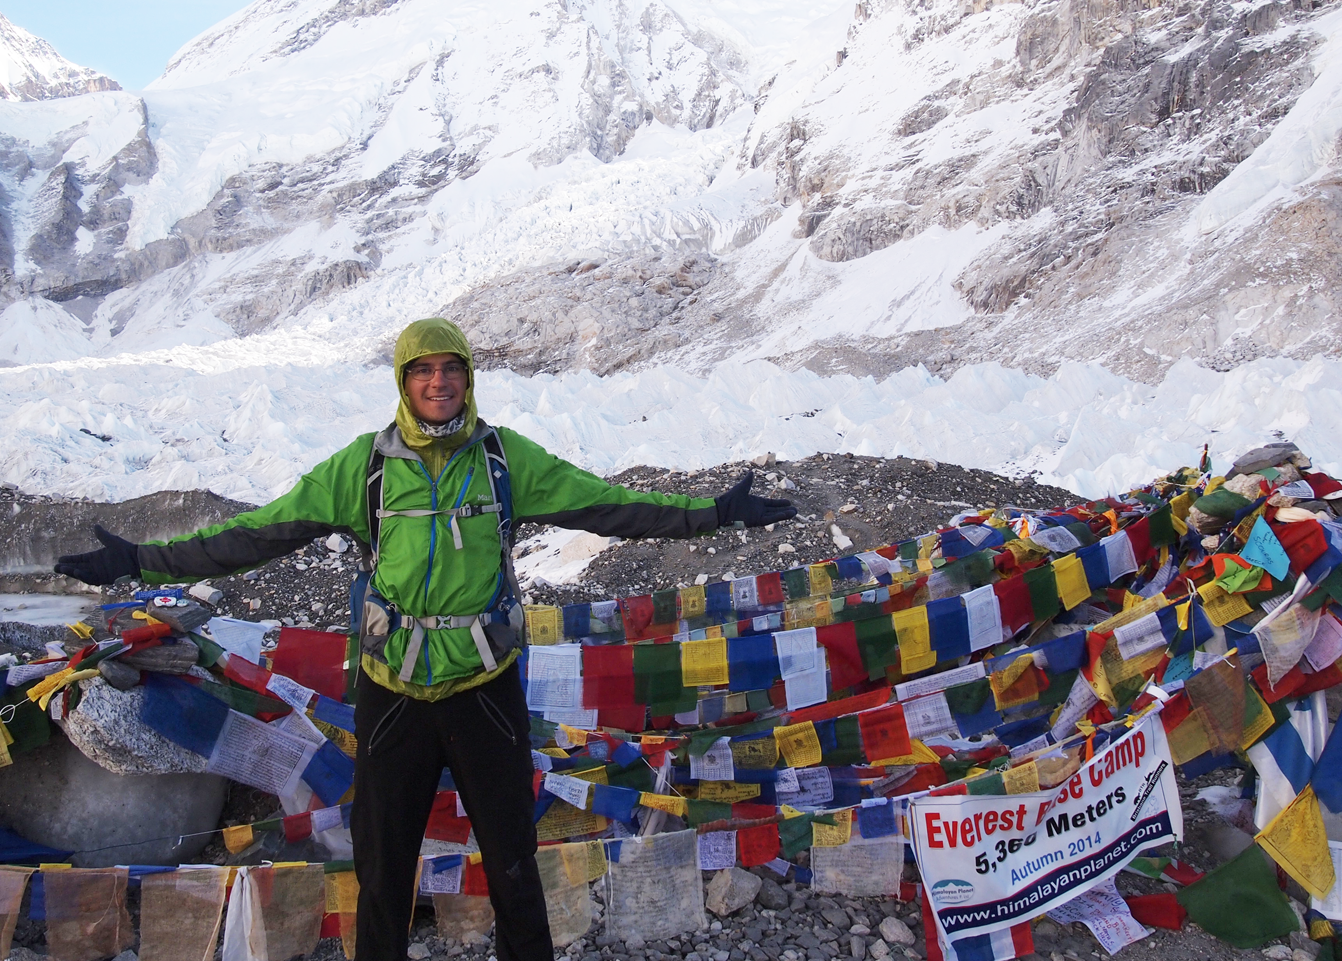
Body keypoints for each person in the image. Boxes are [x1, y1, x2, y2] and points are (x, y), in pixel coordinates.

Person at [56, 318, 796, 961]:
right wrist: (139, 561)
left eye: (450, 369)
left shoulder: (504, 460)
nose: (438, 382)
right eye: (423, 371)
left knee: (511, 858)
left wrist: (711, 514)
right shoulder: (365, 469)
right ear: (403, 382)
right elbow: (254, 535)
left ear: (467, 379)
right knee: (383, 864)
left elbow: (610, 506)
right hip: (393, 692)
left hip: (485, 688)